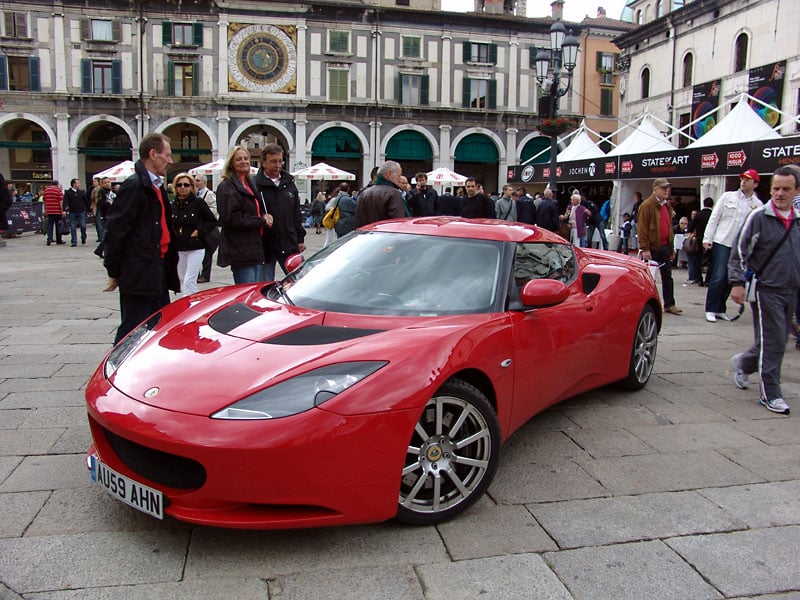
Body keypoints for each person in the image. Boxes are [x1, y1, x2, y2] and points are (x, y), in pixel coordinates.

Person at [728, 166, 800, 415]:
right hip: (766, 289)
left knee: (771, 341)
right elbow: (739, 250)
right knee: (775, 342)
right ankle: (771, 394)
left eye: (786, 189)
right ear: (770, 189)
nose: (780, 193)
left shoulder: (798, 220)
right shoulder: (758, 217)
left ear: (796, 191)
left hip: (792, 289)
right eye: (776, 188)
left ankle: (743, 363)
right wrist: (736, 282)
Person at [103, 133, 180, 345]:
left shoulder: (155, 186)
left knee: (159, 324)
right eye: (167, 155)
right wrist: (114, 271)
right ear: (153, 154)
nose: (170, 161)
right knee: (133, 327)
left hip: (157, 267)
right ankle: (116, 369)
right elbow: (116, 230)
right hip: (140, 270)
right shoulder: (135, 186)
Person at [702, 169, 763, 322]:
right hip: (723, 240)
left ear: (755, 184)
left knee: (733, 278)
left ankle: (720, 308)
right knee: (719, 274)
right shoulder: (728, 197)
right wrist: (707, 238)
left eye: (748, 180)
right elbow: (714, 217)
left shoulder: (757, 204)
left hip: (742, 247)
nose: (743, 182)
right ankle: (710, 308)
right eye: (742, 179)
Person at [217, 145, 273, 284]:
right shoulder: (227, 186)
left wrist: (266, 216)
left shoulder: (250, 184)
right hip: (240, 249)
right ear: (231, 163)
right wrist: (261, 221)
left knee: (254, 291)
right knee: (246, 291)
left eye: (246, 158)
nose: (244, 162)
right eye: (238, 159)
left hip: (254, 247)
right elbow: (232, 219)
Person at [253, 143, 306, 280]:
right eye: (273, 161)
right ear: (263, 163)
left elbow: (296, 214)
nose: (277, 165)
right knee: (265, 284)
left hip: (289, 242)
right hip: (266, 244)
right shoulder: (255, 185)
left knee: (298, 281)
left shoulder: (289, 183)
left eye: (280, 161)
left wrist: (300, 238)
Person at [637, 178, 682, 315]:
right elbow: (642, 228)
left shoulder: (666, 206)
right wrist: (645, 248)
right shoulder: (647, 205)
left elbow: (669, 229)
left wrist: (671, 248)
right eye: (663, 188)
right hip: (652, 247)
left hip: (664, 247)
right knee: (650, 277)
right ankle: (645, 303)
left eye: (667, 188)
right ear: (655, 189)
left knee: (667, 277)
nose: (666, 191)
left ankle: (669, 304)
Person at [170, 172, 217, 297]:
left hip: (195, 247)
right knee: (181, 280)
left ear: (191, 186)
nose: (183, 187)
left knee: (189, 280)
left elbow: (212, 221)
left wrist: (199, 232)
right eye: (179, 185)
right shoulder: (173, 205)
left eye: (186, 184)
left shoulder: (198, 203)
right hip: (179, 247)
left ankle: (189, 307)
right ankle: (192, 303)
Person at [355, 160, 405, 226]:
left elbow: (358, 220)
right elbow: (398, 222)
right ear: (389, 174)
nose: (400, 179)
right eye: (399, 175)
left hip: (366, 234)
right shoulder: (394, 193)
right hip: (386, 234)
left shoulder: (364, 193)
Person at [194, 174, 218, 284]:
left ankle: (205, 275)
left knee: (207, 253)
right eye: (195, 180)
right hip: (198, 229)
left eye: (198, 180)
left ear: (204, 182)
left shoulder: (208, 194)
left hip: (208, 230)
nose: (196, 182)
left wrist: (204, 213)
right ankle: (197, 274)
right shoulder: (194, 194)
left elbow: (215, 209)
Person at [687, 197, 713, 286]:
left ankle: (699, 279)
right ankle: (708, 280)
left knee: (697, 260)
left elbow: (691, 227)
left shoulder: (699, 215)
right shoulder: (713, 214)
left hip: (699, 239)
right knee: (711, 261)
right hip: (710, 239)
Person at [62, 178, 90, 246]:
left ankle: (83, 237)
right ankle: (74, 241)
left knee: (83, 226)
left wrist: (89, 210)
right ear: (74, 184)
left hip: (81, 211)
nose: (79, 184)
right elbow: (65, 202)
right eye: (77, 183)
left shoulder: (81, 192)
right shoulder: (68, 192)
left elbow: (86, 201)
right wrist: (64, 210)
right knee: (73, 227)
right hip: (72, 212)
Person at [43, 180, 66, 246]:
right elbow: (60, 201)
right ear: (57, 184)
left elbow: (44, 201)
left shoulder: (46, 190)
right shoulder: (58, 190)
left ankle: (49, 238)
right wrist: (62, 210)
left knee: (50, 225)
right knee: (58, 225)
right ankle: (59, 240)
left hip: (49, 210)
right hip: (57, 210)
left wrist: (45, 210)